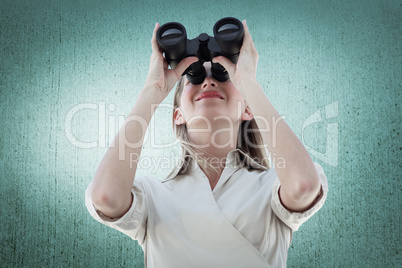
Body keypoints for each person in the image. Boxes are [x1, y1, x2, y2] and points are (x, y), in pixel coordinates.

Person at [85, 20, 328, 268]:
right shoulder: (153, 196)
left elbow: (304, 186)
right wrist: (153, 90)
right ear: (178, 114)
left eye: (222, 75)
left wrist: (248, 82)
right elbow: (106, 197)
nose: (209, 81)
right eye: (194, 78)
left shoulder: (271, 186)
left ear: (247, 108)